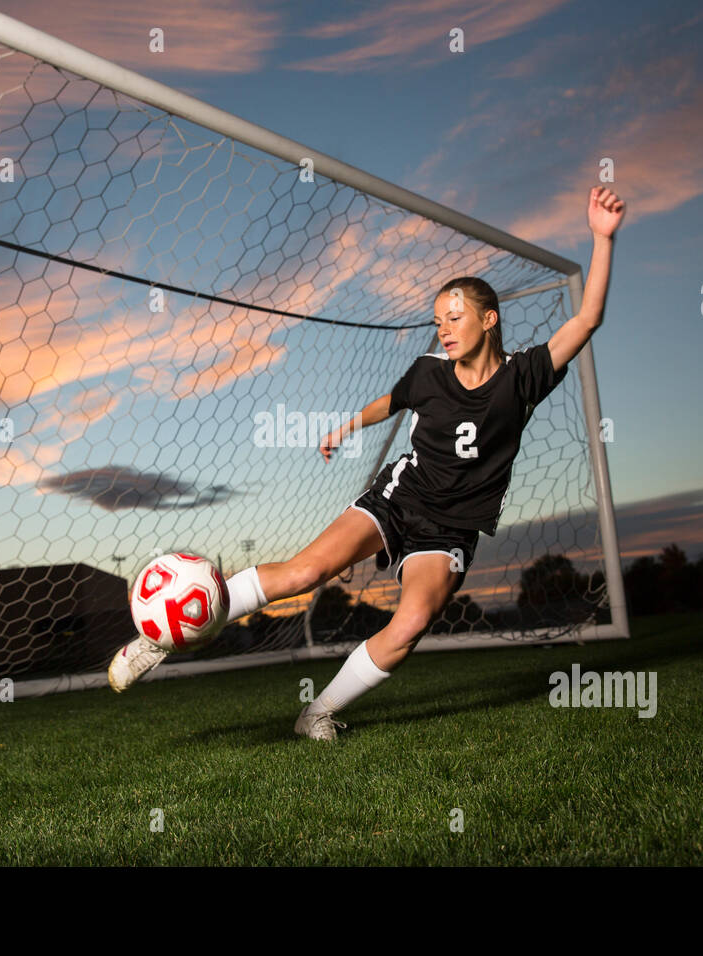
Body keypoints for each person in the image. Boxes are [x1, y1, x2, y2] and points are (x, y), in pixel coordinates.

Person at [109, 187, 626, 741]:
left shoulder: (524, 376)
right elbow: (392, 402)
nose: (444, 328)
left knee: (411, 625)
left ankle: (318, 712)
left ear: (490, 319)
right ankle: (159, 637)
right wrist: (346, 427)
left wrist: (601, 237)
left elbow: (588, 317)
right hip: (400, 498)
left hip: (452, 527)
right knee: (306, 572)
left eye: (455, 317)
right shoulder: (430, 373)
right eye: (438, 319)